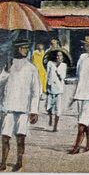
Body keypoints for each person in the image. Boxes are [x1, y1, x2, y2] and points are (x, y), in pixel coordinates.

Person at [0, 39, 40, 171]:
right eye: (23, 48)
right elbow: (1, 82)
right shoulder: (10, 64)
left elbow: (36, 91)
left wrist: (34, 111)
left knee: (20, 137)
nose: (26, 50)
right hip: (9, 106)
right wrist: (5, 70)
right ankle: (3, 162)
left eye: (27, 48)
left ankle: (19, 161)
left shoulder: (32, 68)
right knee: (5, 137)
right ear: (17, 49)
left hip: (24, 108)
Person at [46, 50, 67, 132]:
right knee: (49, 106)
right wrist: (47, 85)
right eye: (57, 56)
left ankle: (55, 126)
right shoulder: (50, 64)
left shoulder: (63, 65)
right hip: (51, 87)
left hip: (59, 89)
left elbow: (63, 77)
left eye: (60, 56)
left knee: (58, 108)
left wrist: (58, 72)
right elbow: (48, 75)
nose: (59, 57)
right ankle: (51, 117)